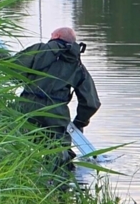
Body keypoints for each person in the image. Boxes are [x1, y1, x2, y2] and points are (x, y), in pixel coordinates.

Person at [12, 27, 100, 168]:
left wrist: (0, 57)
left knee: (18, 143)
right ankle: (62, 178)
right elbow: (91, 102)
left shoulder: (39, 50)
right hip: (56, 112)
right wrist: (79, 122)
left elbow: (13, 68)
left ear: (57, 36)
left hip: (26, 105)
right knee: (59, 153)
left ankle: (20, 171)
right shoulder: (77, 66)